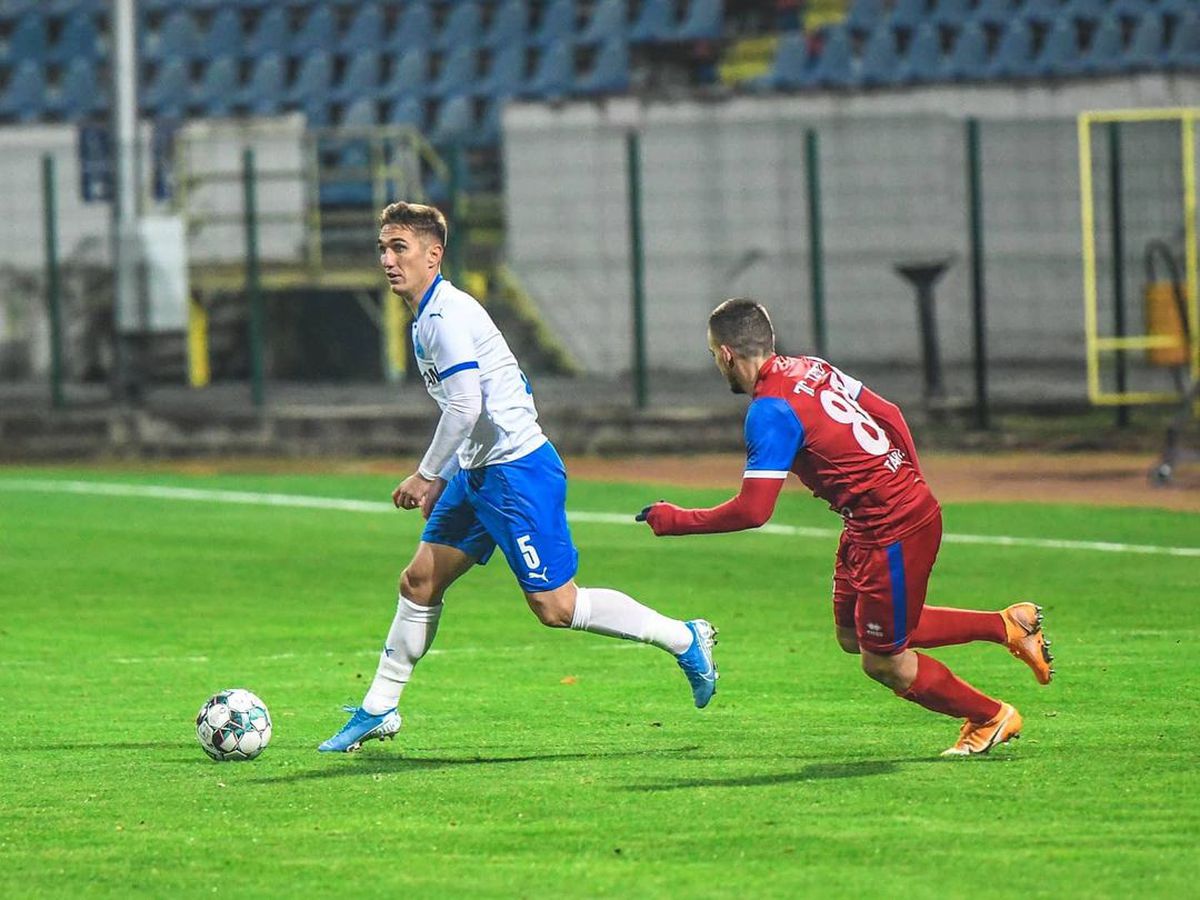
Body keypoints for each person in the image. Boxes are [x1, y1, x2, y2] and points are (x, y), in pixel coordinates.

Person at [319, 202, 717, 752]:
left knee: (557, 607)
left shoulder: (444, 318)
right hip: (479, 470)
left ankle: (684, 637)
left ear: (433, 256)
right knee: (419, 582)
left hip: (516, 473)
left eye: (399, 248)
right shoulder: (427, 314)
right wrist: (448, 477)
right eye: (383, 248)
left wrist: (425, 475)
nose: (387, 259)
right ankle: (378, 709)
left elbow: (464, 405)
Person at [636, 298, 1053, 756]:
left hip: (892, 530)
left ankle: (990, 716)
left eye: (713, 354)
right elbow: (889, 412)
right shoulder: (811, 367)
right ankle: (1006, 625)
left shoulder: (770, 412)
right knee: (854, 635)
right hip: (870, 524)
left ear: (726, 353)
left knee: (884, 661)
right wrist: (909, 477)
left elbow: (754, 511)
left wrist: (674, 520)